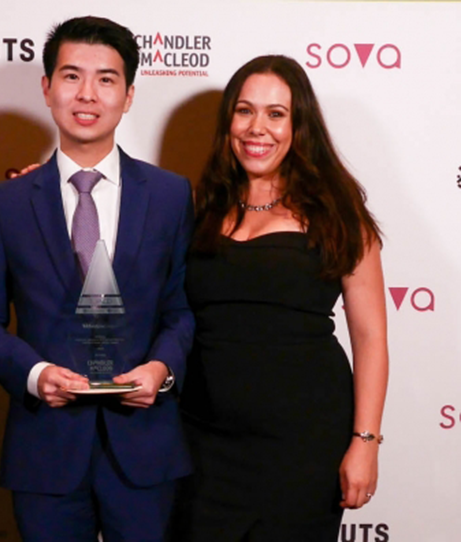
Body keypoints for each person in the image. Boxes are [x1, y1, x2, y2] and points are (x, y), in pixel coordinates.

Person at [0, 16, 194, 542]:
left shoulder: (170, 195)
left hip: (145, 447)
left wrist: (161, 368)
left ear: (129, 94)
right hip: (45, 450)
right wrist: (35, 373)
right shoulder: (6, 203)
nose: (87, 94)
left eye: (106, 79)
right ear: (46, 89)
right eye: (71, 76)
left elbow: (182, 309)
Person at [173, 55, 389, 541]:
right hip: (203, 444)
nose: (257, 128)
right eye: (244, 110)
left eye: (276, 113)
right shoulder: (195, 207)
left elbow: (371, 338)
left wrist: (365, 443)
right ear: (228, 120)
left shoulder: (338, 214)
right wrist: (49, 186)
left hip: (304, 449)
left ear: (299, 125)